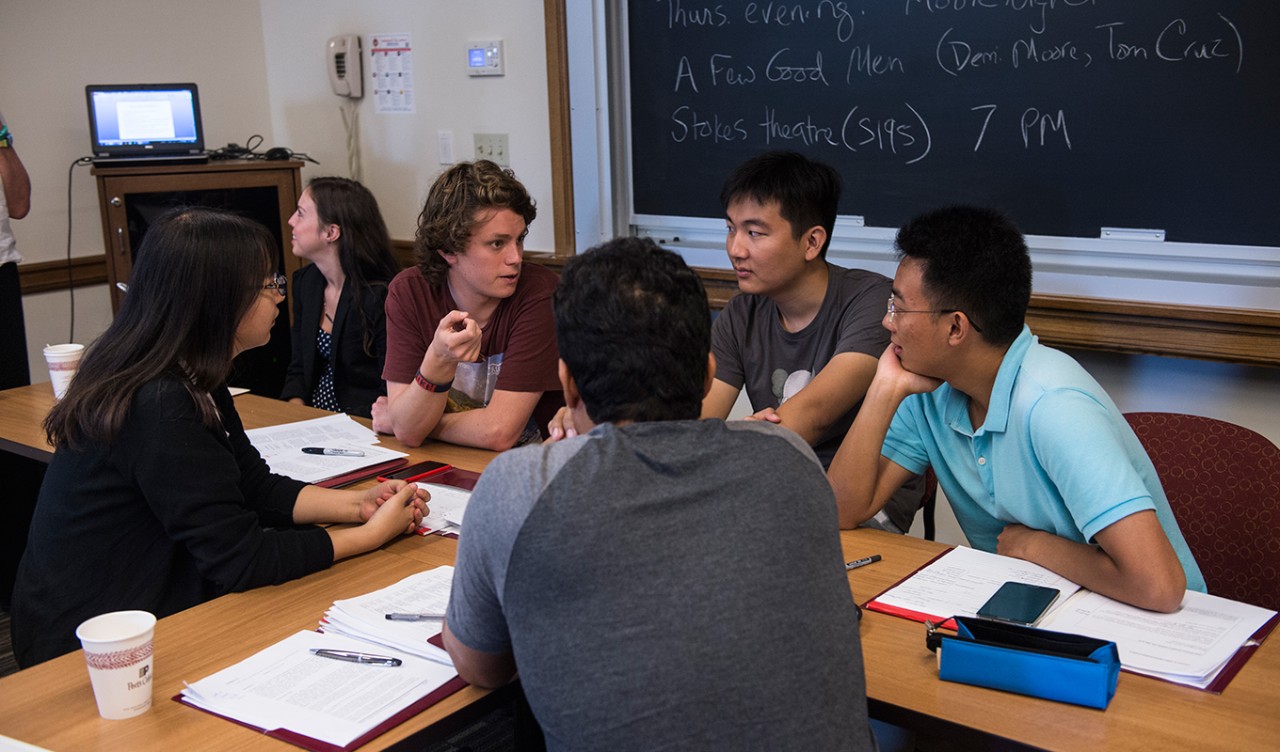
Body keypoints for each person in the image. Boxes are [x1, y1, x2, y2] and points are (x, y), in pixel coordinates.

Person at [443, 237, 875, 751]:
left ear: (569, 385)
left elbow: (481, 666)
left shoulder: (518, 487)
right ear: (708, 375)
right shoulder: (790, 458)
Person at [11, 208, 428, 667]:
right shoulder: (159, 401)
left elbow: (252, 486)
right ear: (218, 301)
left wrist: (358, 505)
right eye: (267, 285)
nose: (278, 298)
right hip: (95, 643)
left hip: (148, 599)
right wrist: (370, 536)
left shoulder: (189, 371)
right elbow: (242, 559)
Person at [828, 205, 1205, 612]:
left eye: (899, 308)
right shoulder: (928, 388)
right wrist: (883, 389)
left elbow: (1159, 588)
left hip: (1160, 628)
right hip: (1046, 604)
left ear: (956, 327)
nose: (889, 322)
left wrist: (1035, 545)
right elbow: (840, 512)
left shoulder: (1054, 406)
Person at [698, 150, 924, 533]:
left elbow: (814, 416)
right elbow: (697, 425)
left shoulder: (873, 303)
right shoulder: (740, 315)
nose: (736, 248)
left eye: (754, 233)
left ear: (812, 242)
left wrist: (734, 441)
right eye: (731, 229)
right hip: (772, 489)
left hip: (862, 509)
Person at [373, 160, 562, 450]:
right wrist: (439, 357)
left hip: (530, 467)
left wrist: (414, 424)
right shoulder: (409, 292)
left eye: (519, 239)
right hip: (447, 463)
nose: (516, 257)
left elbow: (499, 432)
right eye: (497, 244)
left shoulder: (540, 294)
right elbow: (408, 434)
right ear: (449, 249)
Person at [280, 177, 399, 418]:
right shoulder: (306, 282)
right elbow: (299, 368)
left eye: (301, 214)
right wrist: (294, 416)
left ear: (331, 232)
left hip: (364, 425)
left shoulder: (381, 295)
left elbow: (391, 389)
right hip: (312, 420)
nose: (291, 220)